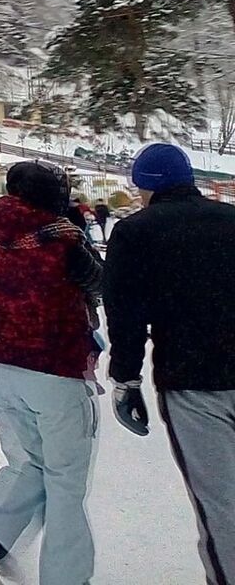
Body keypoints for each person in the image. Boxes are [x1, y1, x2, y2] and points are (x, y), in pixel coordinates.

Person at [0, 161, 103, 585]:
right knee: (65, 485)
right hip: (56, 369)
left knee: (33, 465)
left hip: (5, 367)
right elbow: (100, 284)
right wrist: (79, 237)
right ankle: (65, 578)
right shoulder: (62, 239)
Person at [105, 143, 235, 585]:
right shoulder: (231, 220)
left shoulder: (136, 232)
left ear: (145, 186)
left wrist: (126, 379)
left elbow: (125, 314)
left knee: (220, 504)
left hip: (191, 381)